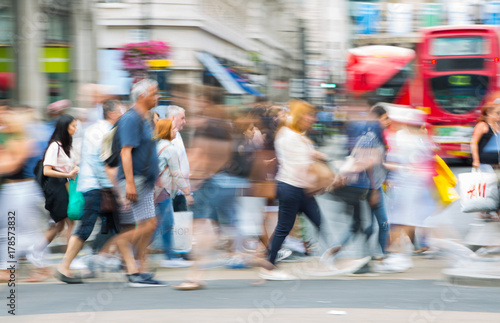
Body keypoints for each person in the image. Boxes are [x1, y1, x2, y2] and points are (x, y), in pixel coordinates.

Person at [56, 100, 123, 283]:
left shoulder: (101, 130)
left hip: (96, 186)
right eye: (121, 112)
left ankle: (130, 265)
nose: (123, 115)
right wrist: (110, 186)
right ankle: (64, 267)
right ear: (111, 113)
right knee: (87, 228)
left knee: (118, 226)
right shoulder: (103, 132)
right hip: (96, 188)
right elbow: (99, 162)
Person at [259, 99, 327, 280]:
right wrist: (322, 179)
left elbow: (304, 158)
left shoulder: (293, 134)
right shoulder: (290, 136)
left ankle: (329, 258)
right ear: (299, 115)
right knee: (284, 226)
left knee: (318, 220)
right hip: (292, 187)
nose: (312, 119)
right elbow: (302, 165)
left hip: (299, 188)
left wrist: (315, 155)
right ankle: (269, 266)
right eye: (309, 115)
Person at [114, 79, 165, 287]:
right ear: (142, 96)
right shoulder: (131, 119)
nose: (158, 96)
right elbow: (125, 152)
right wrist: (129, 183)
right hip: (134, 180)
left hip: (144, 180)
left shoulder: (145, 119)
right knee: (149, 224)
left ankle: (139, 270)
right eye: (154, 93)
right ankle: (122, 248)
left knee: (148, 224)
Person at [0, 107, 52, 282]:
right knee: (9, 229)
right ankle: (7, 268)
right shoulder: (12, 141)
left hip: (23, 191)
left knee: (27, 231)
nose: (3, 126)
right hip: (12, 191)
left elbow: (11, 165)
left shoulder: (25, 141)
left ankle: (42, 266)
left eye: (6, 123)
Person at [28, 114, 79, 267]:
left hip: (63, 186)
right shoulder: (55, 146)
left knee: (59, 226)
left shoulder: (65, 145)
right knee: (70, 224)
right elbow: (47, 170)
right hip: (56, 188)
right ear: (65, 127)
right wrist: (67, 174)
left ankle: (36, 250)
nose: (75, 129)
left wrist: (73, 168)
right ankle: (70, 260)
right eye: (73, 126)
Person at [154, 118, 194, 268]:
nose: (176, 131)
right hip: (162, 190)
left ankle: (167, 254)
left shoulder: (157, 145)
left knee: (159, 223)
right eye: (173, 129)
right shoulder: (170, 149)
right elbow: (176, 173)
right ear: (166, 131)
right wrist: (187, 192)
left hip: (155, 190)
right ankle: (169, 256)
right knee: (165, 223)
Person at [470, 102, 500, 220]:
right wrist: (476, 160)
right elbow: (474, 142)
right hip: (485, 163)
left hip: (497, 162)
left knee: (495, 187)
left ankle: (489, 211)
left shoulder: (497, 125)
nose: (499, 116)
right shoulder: (482, 125)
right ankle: (489, 211)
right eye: (497, 113)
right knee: (489, 187)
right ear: (488, 113)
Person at [164, 105, 190, 212]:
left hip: (178, 193)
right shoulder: (168, 138)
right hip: (172, 193)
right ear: (173, 118)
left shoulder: (177, 135)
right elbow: (173, 169)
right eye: (182, 118)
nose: (184, 121)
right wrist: (187, 193)